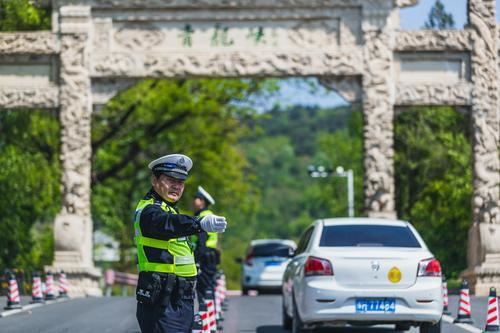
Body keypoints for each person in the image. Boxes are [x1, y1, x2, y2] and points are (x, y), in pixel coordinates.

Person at [134, 154, 227, 333]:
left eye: (181, 182)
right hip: (162, 301)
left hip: (180, 298)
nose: (176, 186)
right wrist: (199, 223)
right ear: (154, 180)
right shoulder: (149, 211)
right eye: (170, 180)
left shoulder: (168, 208)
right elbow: (168, 223)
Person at [191, 186, 220, 301]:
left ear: (202, 201)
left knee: (204, 287)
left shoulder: (204, 216)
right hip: (209, 255)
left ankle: (207, 315)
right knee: (208, 285)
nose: (194, 201)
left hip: (204, 256)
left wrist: (197, 259)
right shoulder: (208, 214)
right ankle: (211, 314)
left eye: (196, 198)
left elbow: (202, 240)